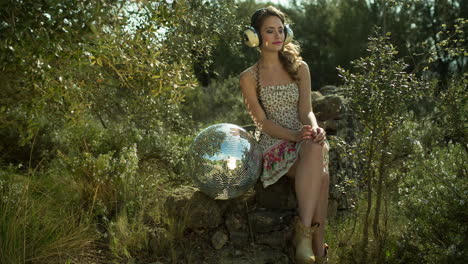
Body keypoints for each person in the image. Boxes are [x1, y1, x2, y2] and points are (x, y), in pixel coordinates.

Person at [239, 6, 330, 264]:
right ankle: (317, 249)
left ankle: (305, 240)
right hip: (274, 142)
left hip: (302, 138)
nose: (277, 35)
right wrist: (293, 135)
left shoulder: (300, 68)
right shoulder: (248, 77)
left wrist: (313, 128)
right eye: (270, 31)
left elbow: (306, 111)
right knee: (322, 174)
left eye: (281, 30)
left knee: (316, 148)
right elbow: (262, 122)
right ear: (254, 37)